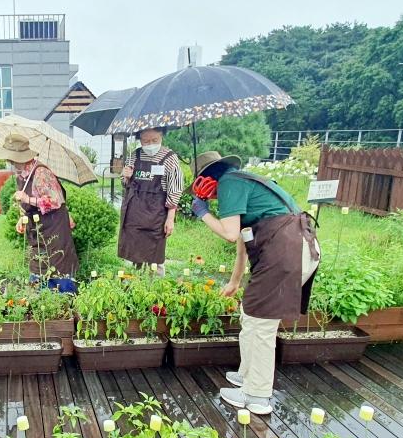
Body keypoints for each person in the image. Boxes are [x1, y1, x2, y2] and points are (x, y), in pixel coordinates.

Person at [189, 151, 321, 416]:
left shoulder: (229, 183)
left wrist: (202, 213)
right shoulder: (241, 181)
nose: (209, 198)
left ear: (206, 179)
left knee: (262, 325)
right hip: (294, 250)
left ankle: (256, 395)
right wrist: (235, 280)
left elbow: (227, 234)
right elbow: (241, 239)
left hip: (287, 253)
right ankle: (247, 375)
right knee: (250, 314)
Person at [0, 133, 80, 291]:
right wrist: (22, 218)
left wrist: (28, 198)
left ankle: (67, 309)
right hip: (37, 232)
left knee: (58, 270)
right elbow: (25, 205)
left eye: (12, 159)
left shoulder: (41, 173)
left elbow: (55, 201)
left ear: (21, 158)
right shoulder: (21, 175)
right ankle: (43, 308)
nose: (10, 163)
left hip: (54, 230)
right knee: (38, 270)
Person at [118, 128, 183, 271]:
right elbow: (125, 184)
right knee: (133, 252)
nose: (150, 144)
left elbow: (175, 190)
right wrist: (125, 176)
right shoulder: (134, 156)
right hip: (134, 212)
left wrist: (170, 219)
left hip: (156, 213)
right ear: (139, 139)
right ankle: (133, 283)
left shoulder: (170, 158)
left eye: (155, 140)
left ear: (162, 137)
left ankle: (155, 285)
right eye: (145, 141)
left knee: (155, 254)